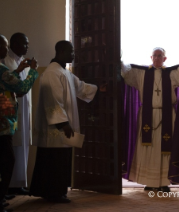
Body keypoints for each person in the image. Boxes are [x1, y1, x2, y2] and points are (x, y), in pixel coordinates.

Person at [30, 40, 106, 203]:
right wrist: (63, 123)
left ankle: (57, 191)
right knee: (54, 160)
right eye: (71, 51)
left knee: (61, 159)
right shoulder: (52, 73)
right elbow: (53, 101)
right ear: (61, 51)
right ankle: (53, 193)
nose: (73, 54)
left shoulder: (64, 72)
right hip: (55, 129)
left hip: (61, 127)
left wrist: (98, 89)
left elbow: (80, 87)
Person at [121, 47, 179, 192]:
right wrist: (118, 55)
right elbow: (125, 72)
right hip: (147, 116)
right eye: (155, 56)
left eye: (160, 56)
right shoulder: (141, 74)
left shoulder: (171, 73)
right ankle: (149, 182)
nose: (157, 58)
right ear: (151, 58)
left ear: (165, 59)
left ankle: (164, 182)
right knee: (147, 148)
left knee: (166, 150)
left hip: (167, 116)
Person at [0, 33, 38, 212]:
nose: (5, 49)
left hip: (4, 119)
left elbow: (6, 83)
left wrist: (18, 70)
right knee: (8, 160)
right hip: (2, 123)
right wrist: (33, 72)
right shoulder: (1, 68)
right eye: (3, 45)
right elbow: (21, 88)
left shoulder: (2, 68)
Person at [2, 33, 32, 196]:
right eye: (24, 44)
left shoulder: (24, 63)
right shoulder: (6, 62)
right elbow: (18, 88)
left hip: (22, 112)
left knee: (22, 147)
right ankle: (8, 185)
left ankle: (19, 182)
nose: (27, 47)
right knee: (11, 150)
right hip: (10, 113)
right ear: (13, 44)